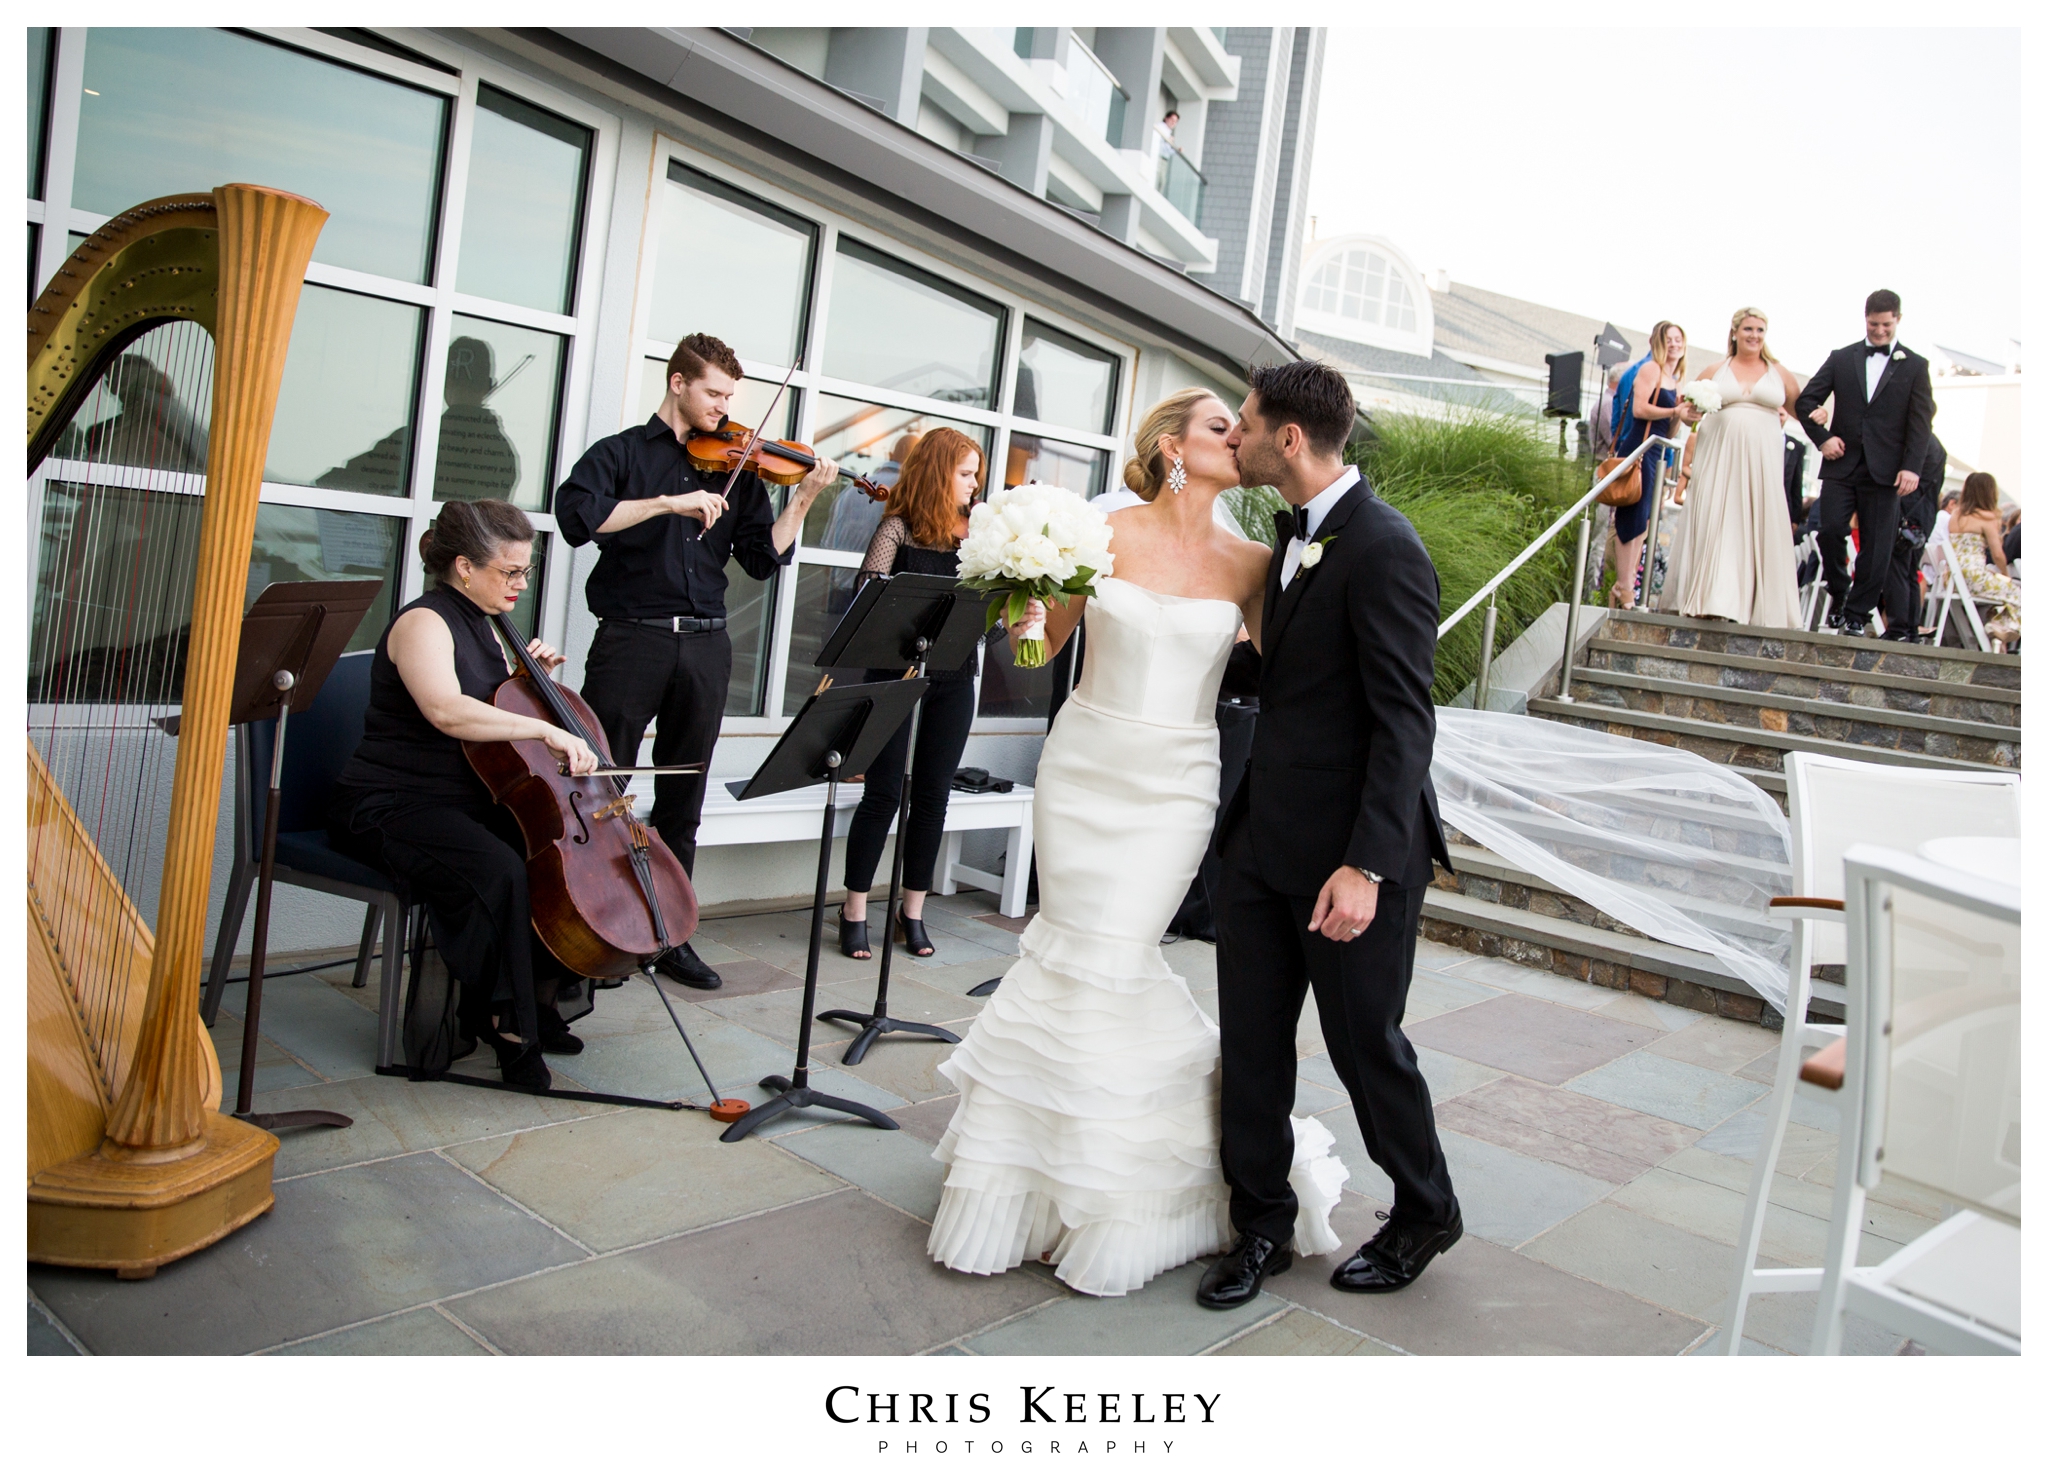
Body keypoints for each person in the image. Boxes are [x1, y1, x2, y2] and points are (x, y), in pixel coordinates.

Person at [925, 386, 1349, 1298]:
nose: (1237, 438)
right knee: (1070, 956)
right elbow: (1037, 664)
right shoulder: (1100, 539)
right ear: (1170, 447)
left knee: (1119, 955)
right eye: (1219, 427)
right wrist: (1025, 622)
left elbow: (1292, 677)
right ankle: (1039, 1183)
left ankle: (1125, 1182)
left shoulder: (1252, 563)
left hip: (1176, 784)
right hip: (1084, 767)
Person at [1201, 361, 1460, 1309]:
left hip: (1351, 861)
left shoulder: (1386, 547)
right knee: (1255, 1047)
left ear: (1292, 441)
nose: (1236, 440)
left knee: (1365, 1048)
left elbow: (1404, 724)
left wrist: (1366, 866)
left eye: (1247, 427)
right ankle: (1259, 1225)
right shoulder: (1291, 538)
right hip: (1261, 845)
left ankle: (1426, 1208)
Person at [555, 333, 838, 989]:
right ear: (678, 383)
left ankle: (667, 936)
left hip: (707, 645)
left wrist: (800, 501)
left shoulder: (734, 466)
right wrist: (666, 503)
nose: (724, 408)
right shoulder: (620, 454)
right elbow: (577, 517)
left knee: (684, 797)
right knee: (602, 789)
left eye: (731, 397)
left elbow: (761, 560)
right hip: (633, 639)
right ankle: (588, 935)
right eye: (714, 393)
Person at [328, 500, 601, 1091]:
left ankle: (537, 1001)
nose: (521, 584)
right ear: (464, 566)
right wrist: (546, 727)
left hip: (463, 796)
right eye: (510, 572)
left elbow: (488, 707)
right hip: (391, 802)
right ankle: (506, 1023)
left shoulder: (488, 621)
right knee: (499, 870)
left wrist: (528, 683)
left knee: (550, 859)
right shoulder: (423, 621)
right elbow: (447, 710)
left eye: (525, 571)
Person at [837, 429, 986, 961]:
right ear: (937, 472)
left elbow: (985, 629)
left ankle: (912, 911)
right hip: (895, 675)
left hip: (954, 677)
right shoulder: (896, 527)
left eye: (976, 474)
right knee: (882, 793)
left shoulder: (980, 535)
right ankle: (854, 909)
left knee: (932, 796)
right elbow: (866, 599)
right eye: (966, 473)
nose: (975, 484)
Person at [1794, 290, 1936, 637]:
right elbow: (1805, 401)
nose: (1880, 331)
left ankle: (1857, 614)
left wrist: (1912, 467)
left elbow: (1921, 423)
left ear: (1897, 319)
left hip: (1887, 472)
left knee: (1877, 547)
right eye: (1874, 324)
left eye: (1886, 324)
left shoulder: (1916, 366)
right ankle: (1840, 590)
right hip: (1843, 464)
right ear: (1865, 319)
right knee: (1828, 531)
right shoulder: (1842, 358)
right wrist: (1822, 437)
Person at [1662, 309, 1803, 627]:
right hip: (1718, 455)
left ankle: (1755, 605)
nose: (1755, 335)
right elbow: (1686, 408)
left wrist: (1821, 419)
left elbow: (1801, 408)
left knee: (1753, 520)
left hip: (1761, 459)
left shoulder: (1777, 371)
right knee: (1719, 518)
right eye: (1749, 329)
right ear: (1735, 332)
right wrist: (1687, 416)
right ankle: (1711, 599)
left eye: (1761, 330)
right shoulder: (1716, 368)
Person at [1608, 322, 1698, 607]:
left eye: (1678, 339)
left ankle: (1624, 586)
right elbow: (1639, 409)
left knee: (1645, 523)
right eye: (1669, 339)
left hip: (1658, 451)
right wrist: (1674, 409)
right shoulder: (1651, 370)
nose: (1674, 344)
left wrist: (1684, 415)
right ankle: (1625, 588)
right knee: (1632, 518)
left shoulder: (1676, 377)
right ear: (1659, 342)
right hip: (1639, 447)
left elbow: (1670, 428)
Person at [1882, 431, 1946, 641]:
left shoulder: (1919, 442)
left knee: (1899, 570)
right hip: (1922, 516)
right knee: (1909, 572)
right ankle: (1908, 629)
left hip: (1908, 514)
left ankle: (1899, 628)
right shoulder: (1935, 446)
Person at [1947, 472, 2020, 647]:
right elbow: (1997, 555)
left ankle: (1997, 632)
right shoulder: (1987, 519)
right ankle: (1999, 627)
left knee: (2003, 596)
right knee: (2018, 593)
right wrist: (2005, 575)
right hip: (1974, 577)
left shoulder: (1956, 515)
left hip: (1951, 577)